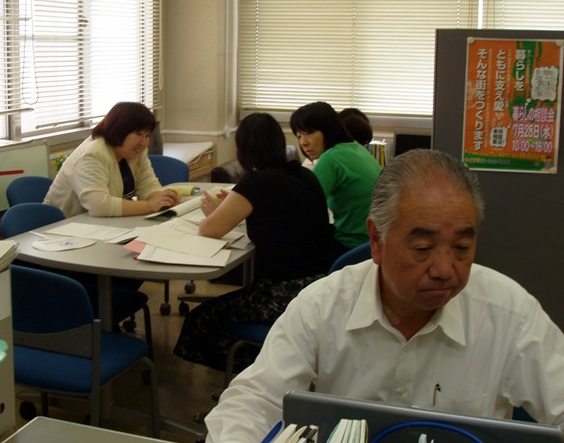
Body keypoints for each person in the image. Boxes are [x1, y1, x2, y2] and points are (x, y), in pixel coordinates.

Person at [204, 149, 564, 441]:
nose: (445, 268)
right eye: (423, 248)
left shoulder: (509, 313)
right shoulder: (323, 305)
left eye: (462, 247)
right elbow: (254, 401)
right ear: (377, 240)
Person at [173, 113, 336, 372]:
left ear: (243, 149)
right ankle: (267, 361)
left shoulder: (256, 182)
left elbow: (209, 229)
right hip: (320, 288)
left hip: (283, 293)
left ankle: (252, 370)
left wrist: (214, 212)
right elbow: (277, 213)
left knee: (200, 320)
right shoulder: (304, 174)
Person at [44, 101, 180, 218]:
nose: (144, 143)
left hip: (100, 226)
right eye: (138, 134)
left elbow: (148, 185)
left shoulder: (134, 151)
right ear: (119, 130)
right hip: (63, 227)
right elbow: (99, 206)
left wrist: (161, 199)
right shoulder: (93, 153)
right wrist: (149, 205)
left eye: (147, 135)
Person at [290, 101, 382, 257]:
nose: (303, 142)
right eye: (299, 136)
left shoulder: (331, 158)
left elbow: (301, 207)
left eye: (309, 133)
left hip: (351, 247)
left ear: (328, 129)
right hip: (371, 245)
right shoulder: (356, 148)